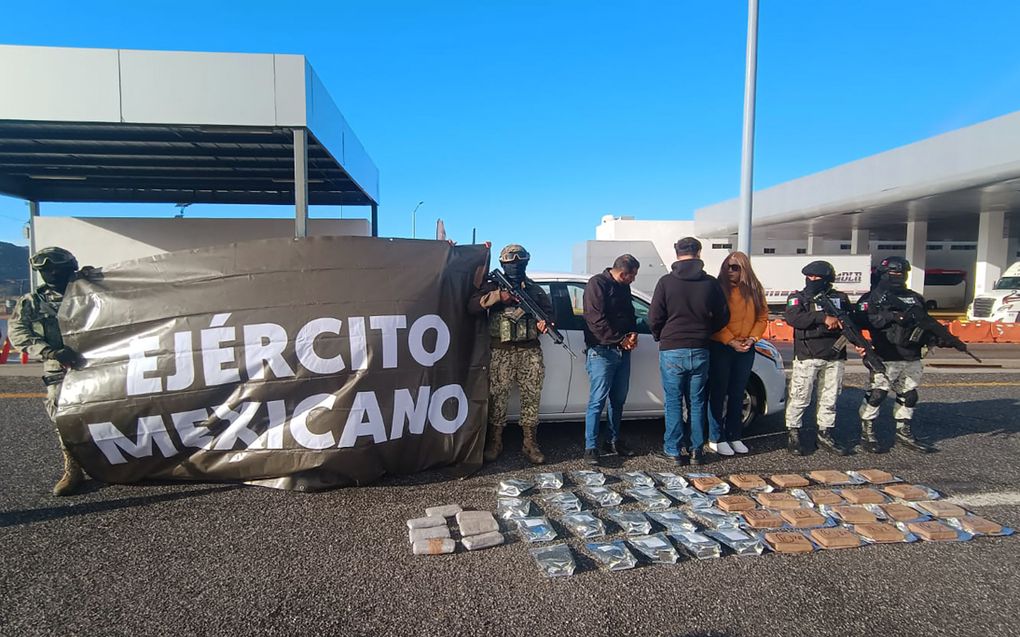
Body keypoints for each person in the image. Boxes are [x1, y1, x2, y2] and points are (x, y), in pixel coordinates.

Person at [9, 247, 88, 496]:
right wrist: (49, 352)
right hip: (59, 365)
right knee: (62, 416)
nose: (51, 273)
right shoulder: (32, 302)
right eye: (45, 270)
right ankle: (73, 469)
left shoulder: (89, 291)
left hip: (98, 360)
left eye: (55, 268)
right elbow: (18, 332)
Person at [468, 244, 553, 465]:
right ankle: (494, 442)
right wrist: (498, 296)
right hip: (500, 351)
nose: (515, 265)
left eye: (519, 261)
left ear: (526, 262)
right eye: (510, 262)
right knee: (498, 397)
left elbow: (549, 315)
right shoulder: (492, 286)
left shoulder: (534, 289)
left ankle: (530, 444)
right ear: (503, 264)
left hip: (530, 350)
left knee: (531, 397)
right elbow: (472, 306)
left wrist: (546, 324)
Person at [648, 237, 729, 466]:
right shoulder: (711, 283)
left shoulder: (666, 282)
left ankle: (674, 451)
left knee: (673, 401)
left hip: (672, 347)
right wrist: (705, 331)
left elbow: (654, 317)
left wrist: (660, 335)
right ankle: (696, 451)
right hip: (701, 347)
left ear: (677, 254)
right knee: (697, 401)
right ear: (699, 253)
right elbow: (724, 316)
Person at [857, 256, 936, 453]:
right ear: (882, 274)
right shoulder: (871, 299)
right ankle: (867, 433)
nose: (897, 277)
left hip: (911, 355)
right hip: (885, 355)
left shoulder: (915, 298)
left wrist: (933, 338)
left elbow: (926, 323)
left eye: (901, 274)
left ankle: (904, 431)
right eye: (892, 274)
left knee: (909, 395)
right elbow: (857, 324)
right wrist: (863, 347)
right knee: (877, 394)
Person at [784, 260, 854, 456]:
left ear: (828, 279)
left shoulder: (840, 298)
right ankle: (793, 432)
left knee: (830, 397)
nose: (813, 280)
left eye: (818, 277)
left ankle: (825, 432)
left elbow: (851, 322)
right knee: (800, 396)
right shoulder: (798, 297)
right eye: (810, 276)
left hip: (835, 355)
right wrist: (823, 318)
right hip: (808, 355)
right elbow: (793, 318)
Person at [706, 251, 768, 457]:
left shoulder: (754, 290)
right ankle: (716, 436)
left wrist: (752, 338)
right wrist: (730, 340)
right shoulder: (717, 288)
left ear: (745, 269)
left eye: (735, 267)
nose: (730, 271)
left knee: (737, 392)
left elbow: (762, 317)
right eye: (727, 266)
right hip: (721, 346)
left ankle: (734, 435)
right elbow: (711, 319)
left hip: (746, 347)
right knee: (718, 392)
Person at [581, 254, 640, 465]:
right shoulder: (597, 284)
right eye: (632, 276)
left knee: (618, 400)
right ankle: (591, 447)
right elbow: (595, 320)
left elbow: (631, 313)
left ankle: (613, 440)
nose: (633, 280)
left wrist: (633, 333)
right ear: (624, 273)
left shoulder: (624, 287)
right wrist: (620, 339)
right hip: (602, 351)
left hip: (623, 352)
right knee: (597, 401)